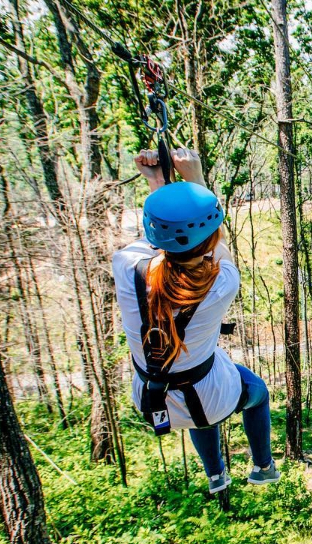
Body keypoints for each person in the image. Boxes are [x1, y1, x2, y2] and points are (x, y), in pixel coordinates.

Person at [113, 147, 280, 494]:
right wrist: (194, 182)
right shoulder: (222, 283)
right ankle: (264, 466)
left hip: (149, 396)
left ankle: (216, 474)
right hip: (207, 391)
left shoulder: (126, 265)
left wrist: (161, 186)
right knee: (255, 393)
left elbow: (166, 241)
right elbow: (215, 249)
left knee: (196, 408)